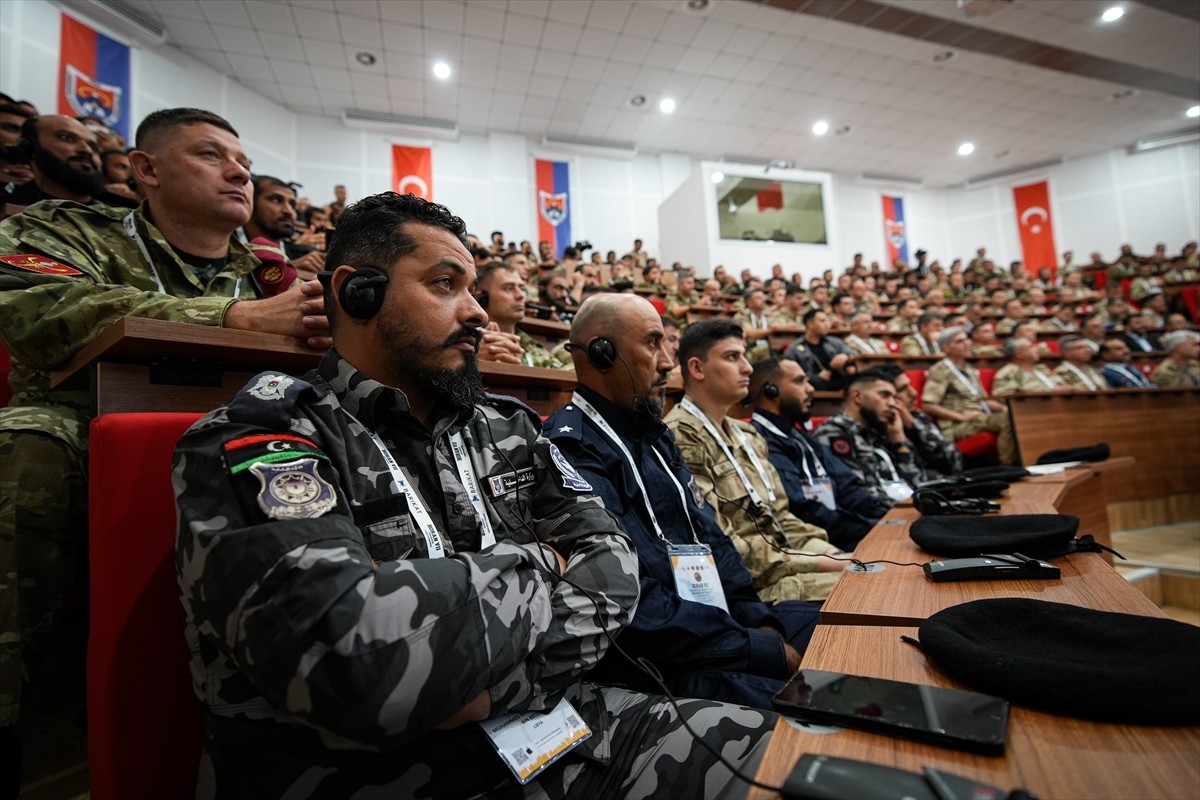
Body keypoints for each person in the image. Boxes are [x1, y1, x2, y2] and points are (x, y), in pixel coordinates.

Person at [172, 193, 776, 799]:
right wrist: (545, 562)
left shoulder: (506, 427)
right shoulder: (264, 435)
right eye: (444, 284)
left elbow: (617, 569)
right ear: (358, 292)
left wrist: (492, 685)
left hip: (547, 730)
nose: (477, 314)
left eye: (473, 289)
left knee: (788, 760)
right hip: (366, 777)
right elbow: (356, 664)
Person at [0, 108, 330, 769]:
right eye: (211, 155)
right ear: (145, 169)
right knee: (28, 448)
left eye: (241, 159)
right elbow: (36, 310)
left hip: (244, 431)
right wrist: (231, 317)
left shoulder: (274, 268)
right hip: (81, 418)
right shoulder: (53, 229)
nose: (239, 170)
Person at [544, 294, 819, 710]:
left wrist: (755, 618)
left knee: (847, 630)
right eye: (653, 343)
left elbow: (708, 533)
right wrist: (757, 648)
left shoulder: (656, 435)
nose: (668, 362)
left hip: (718, 625)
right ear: (603, 354)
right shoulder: (573, 448)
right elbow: (634, 600)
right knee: (819, 709)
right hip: (662, 660)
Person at [664, 320, 845, 603]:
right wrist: (821, 562)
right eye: (732, 357)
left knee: (874, 575)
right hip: (753, 588)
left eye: (744, 355)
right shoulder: (679, 436)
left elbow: (781, 516)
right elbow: (720, 542)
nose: (748, 367)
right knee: (872, 591)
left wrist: (828, 551)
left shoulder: (747, 434)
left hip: (787, 565)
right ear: (697, 368)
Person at [749, 357, 887, 550]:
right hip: (813, 541)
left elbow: (849, 487)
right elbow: (801, 509)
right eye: (799, 381)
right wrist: (873, 528)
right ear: (770, 390)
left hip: (844, 531)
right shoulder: (760, 439)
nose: (810, 389)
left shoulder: (800, 436)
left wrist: (887, 518)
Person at [813, 370, 929, 504]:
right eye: (885, 395)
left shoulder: (881, 432)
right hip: (877, 518)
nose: (892, 403)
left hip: (902, 510)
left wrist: (899, 441)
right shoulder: (833, 433)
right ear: (858, 396)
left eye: (894, 398)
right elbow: (858, 497)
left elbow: (917, 484)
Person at [921, 328, 1017, 464]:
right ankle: (1008, 465)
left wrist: (1003, 408)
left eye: (967, 339)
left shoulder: (970, 370)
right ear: (946, 347)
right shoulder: (940, 371)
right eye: (960, 341)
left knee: (1014, 416)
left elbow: (983, 401)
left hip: (980, 418)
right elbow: (928, 405)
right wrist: (961, 417)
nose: (967, 344)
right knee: (1007, 421)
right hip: (959, 424)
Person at [473, 262, 569, 369]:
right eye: (508, 288)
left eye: (521, 289)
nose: (520, 296)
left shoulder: (530, 345)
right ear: (481, 297)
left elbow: (560, 375)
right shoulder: (466, 344)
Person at [242, 174, 326, 280]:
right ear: (250, 202)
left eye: (292, 205)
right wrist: (286, 269)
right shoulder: (222, 251)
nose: (288, 211)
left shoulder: (308, 256)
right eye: (276, 200)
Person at [783, 308, 856, 390]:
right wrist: (815, 377)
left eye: (827, 321)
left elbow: (853, 354)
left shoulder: (834, 342)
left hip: (838, 381)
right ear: (810, 324)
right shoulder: (795, 347)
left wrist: (845, 356)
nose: (827, 324)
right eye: (822, 321)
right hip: (812, 385)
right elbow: (789, 372)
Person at [992, 337, 1066, 395]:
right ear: (1019, 354)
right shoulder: (1008, 372)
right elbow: (1002, 396)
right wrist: (1039, 392)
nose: (1036, 349)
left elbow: (1062, 385)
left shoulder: (1041, 368)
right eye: (1031, 347)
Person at [733, 287, 772, 362]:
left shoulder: (768, 315)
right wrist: (771, 331)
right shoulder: (742, 315)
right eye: (759, 298)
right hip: (748, 349)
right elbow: (750, 333)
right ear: (750, 302)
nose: (763, 300)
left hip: (769, 348)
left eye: (763, 297)